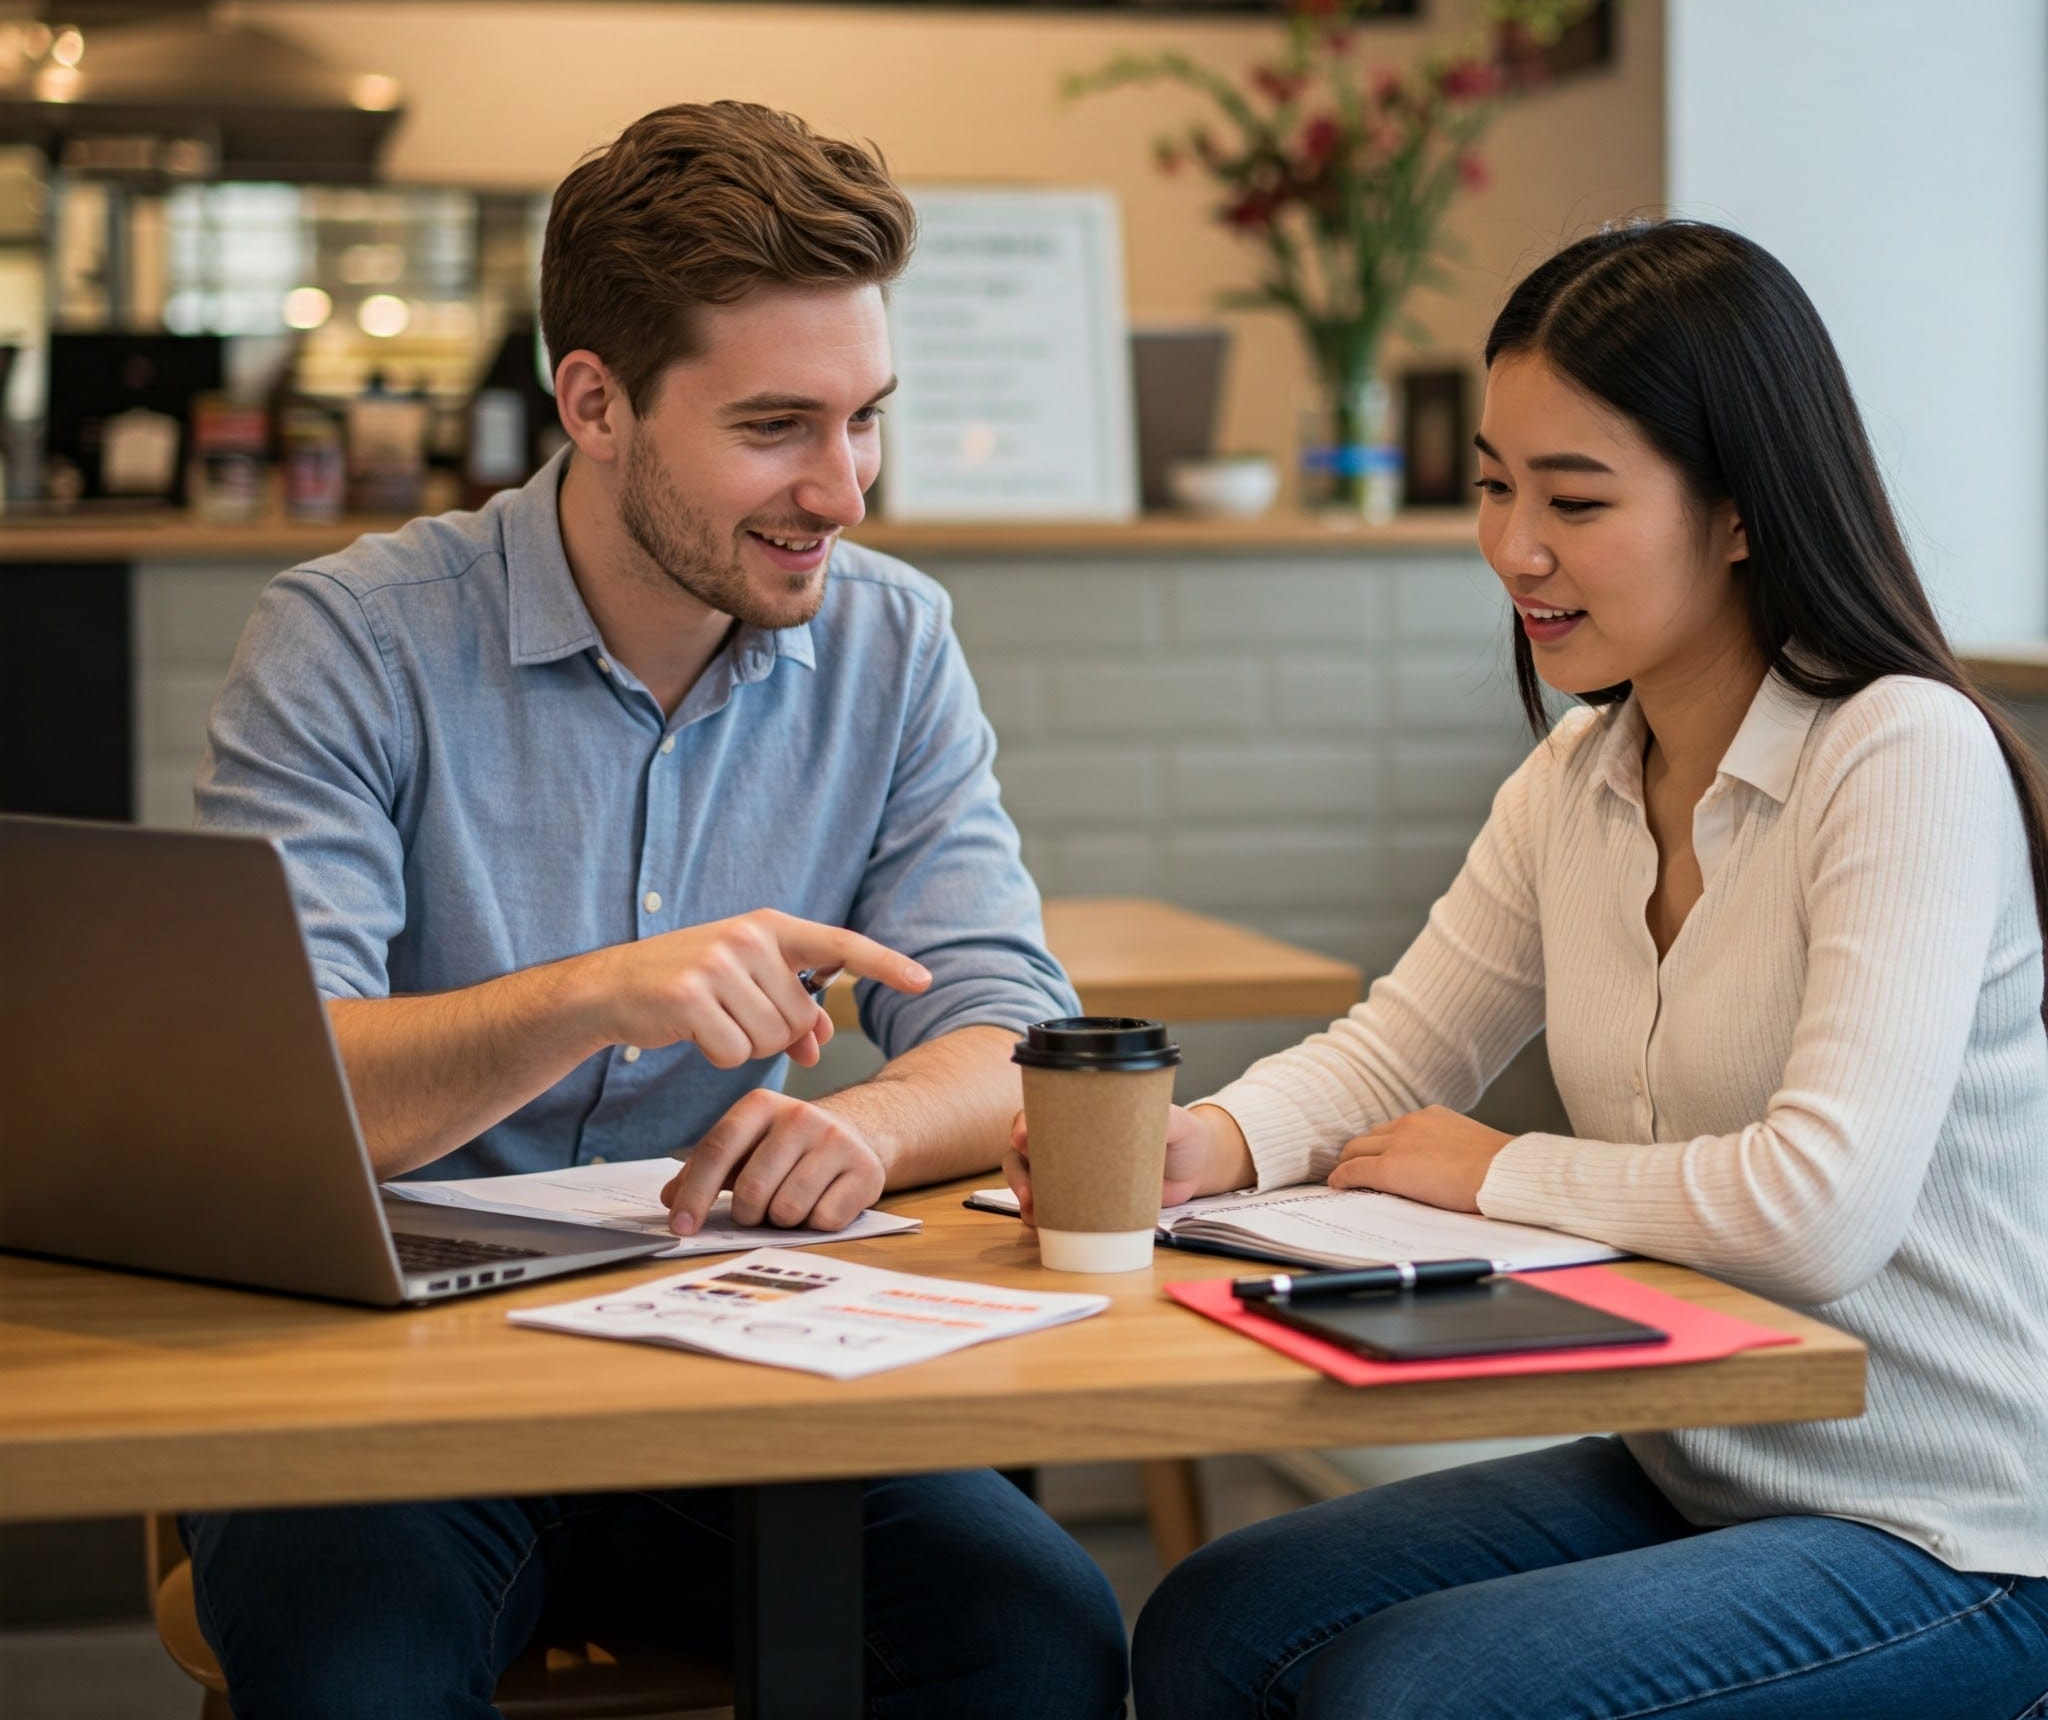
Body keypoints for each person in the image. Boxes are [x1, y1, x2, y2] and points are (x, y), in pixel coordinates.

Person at [1013, 219, 2048, 1719]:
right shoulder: (1583, 776)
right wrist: (1204, 1146)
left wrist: (1498, 1172)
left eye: (1576, 497)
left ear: (1745, 512)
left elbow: (1819, 1212)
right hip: (1695, 1468)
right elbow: (1395, 1052)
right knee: (1215, 1618)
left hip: (1959, 1537)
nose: (1514, 547)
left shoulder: (1900, 753)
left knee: (1409, 1696)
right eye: (1497, 484)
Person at [182, 101, 1127, 1720]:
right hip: (381, 1394)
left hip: (734, 1361)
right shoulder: (353, 643)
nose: (842, 490)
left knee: (1040, 1637)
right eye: (777, 427)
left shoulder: (893, 646)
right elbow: (284, 1102)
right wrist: (594, 993)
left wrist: (877, 1129)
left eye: (866, 419)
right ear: (595, 401)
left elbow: (1007, 1032)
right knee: (359, 1678)